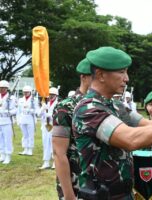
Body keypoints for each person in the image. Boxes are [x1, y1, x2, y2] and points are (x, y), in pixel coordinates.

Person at [72, 46, 152, 200]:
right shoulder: (89, 109)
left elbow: (147, 125)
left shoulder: (115, 105)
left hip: (124, 193)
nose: (126, 78)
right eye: (121, 72)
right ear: (100, 75)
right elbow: (131, 139)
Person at [52, 58, 92, 200]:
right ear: (83, 77)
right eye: (94, 76)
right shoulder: (65, 107)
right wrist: (69, 195)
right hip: (76, 183)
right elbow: (59, 153)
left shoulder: (105, 104)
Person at [38, 87, 58, 169]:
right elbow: (38, 115)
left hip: (53, 126)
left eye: (53, 95)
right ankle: (46, 162)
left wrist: (49, 115)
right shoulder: (46, 103)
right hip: (46, 126)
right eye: (49, 94)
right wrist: (42, 109)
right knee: (45, 144)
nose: (51, 96)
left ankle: (54, 162)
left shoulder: (58, 103)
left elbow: (57, 114)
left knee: (53, 144)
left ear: (56, 95)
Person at [17, 85, 39, 156]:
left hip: (30, 118)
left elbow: (37, 109)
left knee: (30, 135)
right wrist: (18, 120)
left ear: (30, 92)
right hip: (23, 118)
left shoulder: (34, 99)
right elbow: (18, 111)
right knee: (24, 135)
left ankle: (30, 149)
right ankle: (25, 149)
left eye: (27, 92)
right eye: (24, 92)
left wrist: (33, 111)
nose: (26, 93)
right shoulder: (20, 100)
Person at [0, 80, 17, 164]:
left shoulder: (11, 98)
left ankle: (8, 155)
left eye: (3, 88)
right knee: (0, 139)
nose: (2, 89)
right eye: (1, 87)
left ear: (7, 88)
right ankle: (2, 154)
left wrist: (8, 112)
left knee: (7, 139)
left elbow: (15, 110)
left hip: (6, 120)